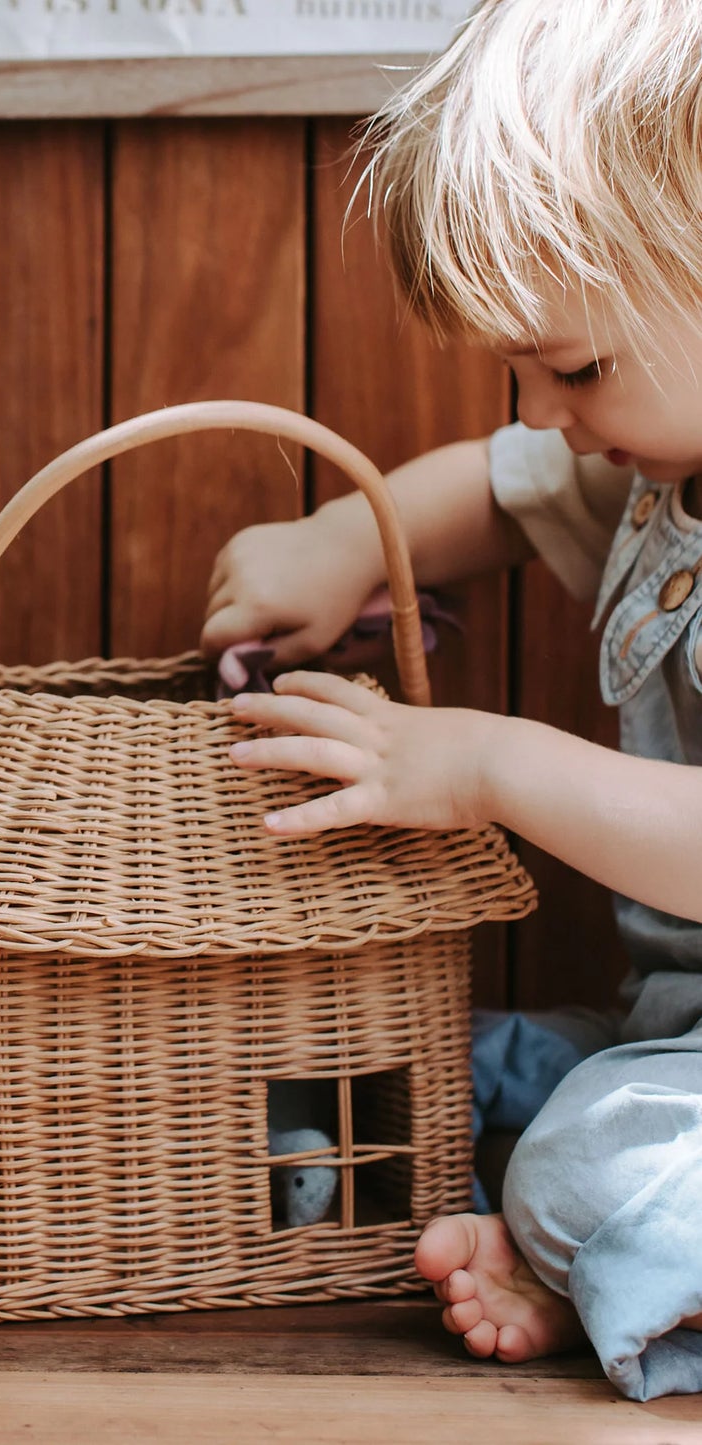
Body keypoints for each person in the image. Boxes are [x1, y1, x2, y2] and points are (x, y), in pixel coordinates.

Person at [200, 0, 702, 1403]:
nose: (541, 408)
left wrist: (487, 765)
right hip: (673, 1024)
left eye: (576, 365)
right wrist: (348, 542)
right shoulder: (656, 469)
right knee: (444, 1066)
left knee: (587, 1158)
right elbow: (495, 485)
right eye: (519, 369)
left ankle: (590, 1250)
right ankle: (586, 1248)